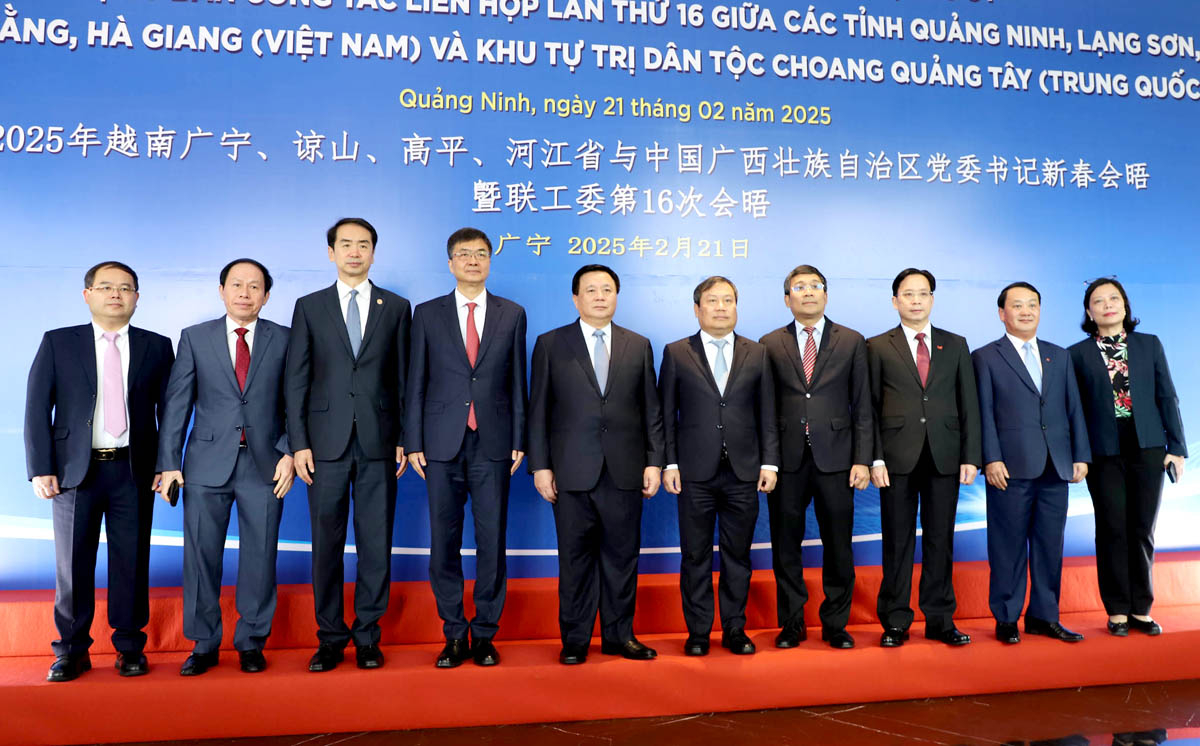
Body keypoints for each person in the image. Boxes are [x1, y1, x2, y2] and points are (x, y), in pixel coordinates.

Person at [25, 261, 174, 681]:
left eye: (125, 288)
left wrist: (167, 465)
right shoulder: (59, 343)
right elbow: (37, 407)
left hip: (133, 471)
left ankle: (129, 646)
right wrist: (41, 468)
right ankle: (70, 650)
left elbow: (170, 411)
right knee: (72, 566)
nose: (116, 294)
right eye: (106, 287)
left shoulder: (157, 346)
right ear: (87, 294)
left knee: (131, 561)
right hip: (76, 473)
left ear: (137, 298)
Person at [285, 218, 411, 672]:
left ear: (374, 252)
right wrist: (298, 442)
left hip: (380, 443)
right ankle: (330, 637)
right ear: (331, 252)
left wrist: (404, 438)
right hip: (323, 447)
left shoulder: (396, 306)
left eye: (363, 245)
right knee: (327, 545)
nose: (354, 252)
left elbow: (404, 380)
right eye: (346, 244)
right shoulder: (309, 306)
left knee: (376, 543)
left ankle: (368, 637)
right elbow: (296, 379)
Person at [157, 259, 293, 675]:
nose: (245, 293)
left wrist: (289, 450)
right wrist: (169, 464)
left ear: (267, 296)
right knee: (200, 557)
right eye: (237, 285)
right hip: (204, 465)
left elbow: (297, 402)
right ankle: (203, 643)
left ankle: (251, 641)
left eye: (255, 287)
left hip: (266, 463)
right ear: (221, 290)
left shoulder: (286, 340)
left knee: (260, 556)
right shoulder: (195, 338)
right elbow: (177, 404)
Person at [527, 264, 664, 665]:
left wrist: (654, 462)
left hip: (625, 470)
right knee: (575, 560)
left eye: (607, 289)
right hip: (570, 471)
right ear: (576, 298)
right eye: (591, 290)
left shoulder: (638, 345)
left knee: (623, 558)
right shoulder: (551, 344)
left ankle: (621, 636)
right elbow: (538, 412)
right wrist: (541, 466)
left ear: (617, 296)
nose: (600, 296)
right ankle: (575, 639)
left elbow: (650, 410)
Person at [405, 228, 528, 668]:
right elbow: (415, 380)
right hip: (440, 444)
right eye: (464, 254)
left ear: (490, 261)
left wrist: (519, 439)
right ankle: (454, 632)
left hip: (493, 442)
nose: (473, 260)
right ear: (451, 262)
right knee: (445, 542)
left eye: (480, 254)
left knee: (492, 541)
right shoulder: (427, 313)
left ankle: (485, 634)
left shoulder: (511, 314)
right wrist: (414, 440)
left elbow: (518, 381)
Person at [659, 276, 779, 656]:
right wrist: (669, 463)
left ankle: (734, 629)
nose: (722, 307)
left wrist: (770, 463)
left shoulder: (757, 352)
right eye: (713, 300)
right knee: (694, 555)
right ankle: (697, 632)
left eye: (729, 299)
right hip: (694, 472)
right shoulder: (676, 352)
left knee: (737, 555)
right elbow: (665, 414)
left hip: (744, 472)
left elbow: (768, 414)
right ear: (698, 309)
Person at [760, 265, 873, 649]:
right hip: (787, 462)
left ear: (826, 295)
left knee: (838, 545)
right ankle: (792, 623)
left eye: (815, 286)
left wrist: (863, 458)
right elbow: (766, 409)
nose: (808, 293)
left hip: (838, 460)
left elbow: (863, 405)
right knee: (785, 545)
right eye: (799, 287)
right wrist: (769, 461)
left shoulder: (852, 341)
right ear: (787, 298)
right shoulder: (769, 343)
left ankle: (835, 624)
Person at [868, 268, 981, 648]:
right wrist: (874, 458)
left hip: (944, 456)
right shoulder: (877, 346)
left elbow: (970, 405)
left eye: (922, 293)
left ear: (932, 299)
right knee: (896, 542)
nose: (916, 300)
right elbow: (868, 408)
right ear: (895, 300)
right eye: (908, 294)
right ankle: (896, 620)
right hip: (896, 459)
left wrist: (971, 456)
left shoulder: (956, 344)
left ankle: (939, 619)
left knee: (940, 540)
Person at [973, 281, 1090, 644]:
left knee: (1049, 545)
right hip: (1009, 467)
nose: (1026, 311)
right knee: (1006, 546)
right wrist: (990, 458)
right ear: (1001, 313)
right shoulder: (985, 356)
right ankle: (1006, 617)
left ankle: (1044, 616)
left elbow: (1074, 409)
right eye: (1017, 305)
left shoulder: (1060, 355)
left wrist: (1081, 455)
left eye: (1032, 305)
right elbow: (984, 413)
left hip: (1056, 466)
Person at [1068, 277, 1186, 637]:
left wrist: (1177, 447)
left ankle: (1141, 608)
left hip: (1148, 446)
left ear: (1125, 305)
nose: (1108, 305)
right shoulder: (1076, 354)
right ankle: (1117, 609)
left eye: (1114, 298)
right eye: (1099, 301)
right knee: (1111, 529)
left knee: (1141, 528)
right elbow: (1074, 410)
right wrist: (1079, 454)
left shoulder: (1149, 345)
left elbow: (1167, 396)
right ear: (1089, 311)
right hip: (1103, 451)